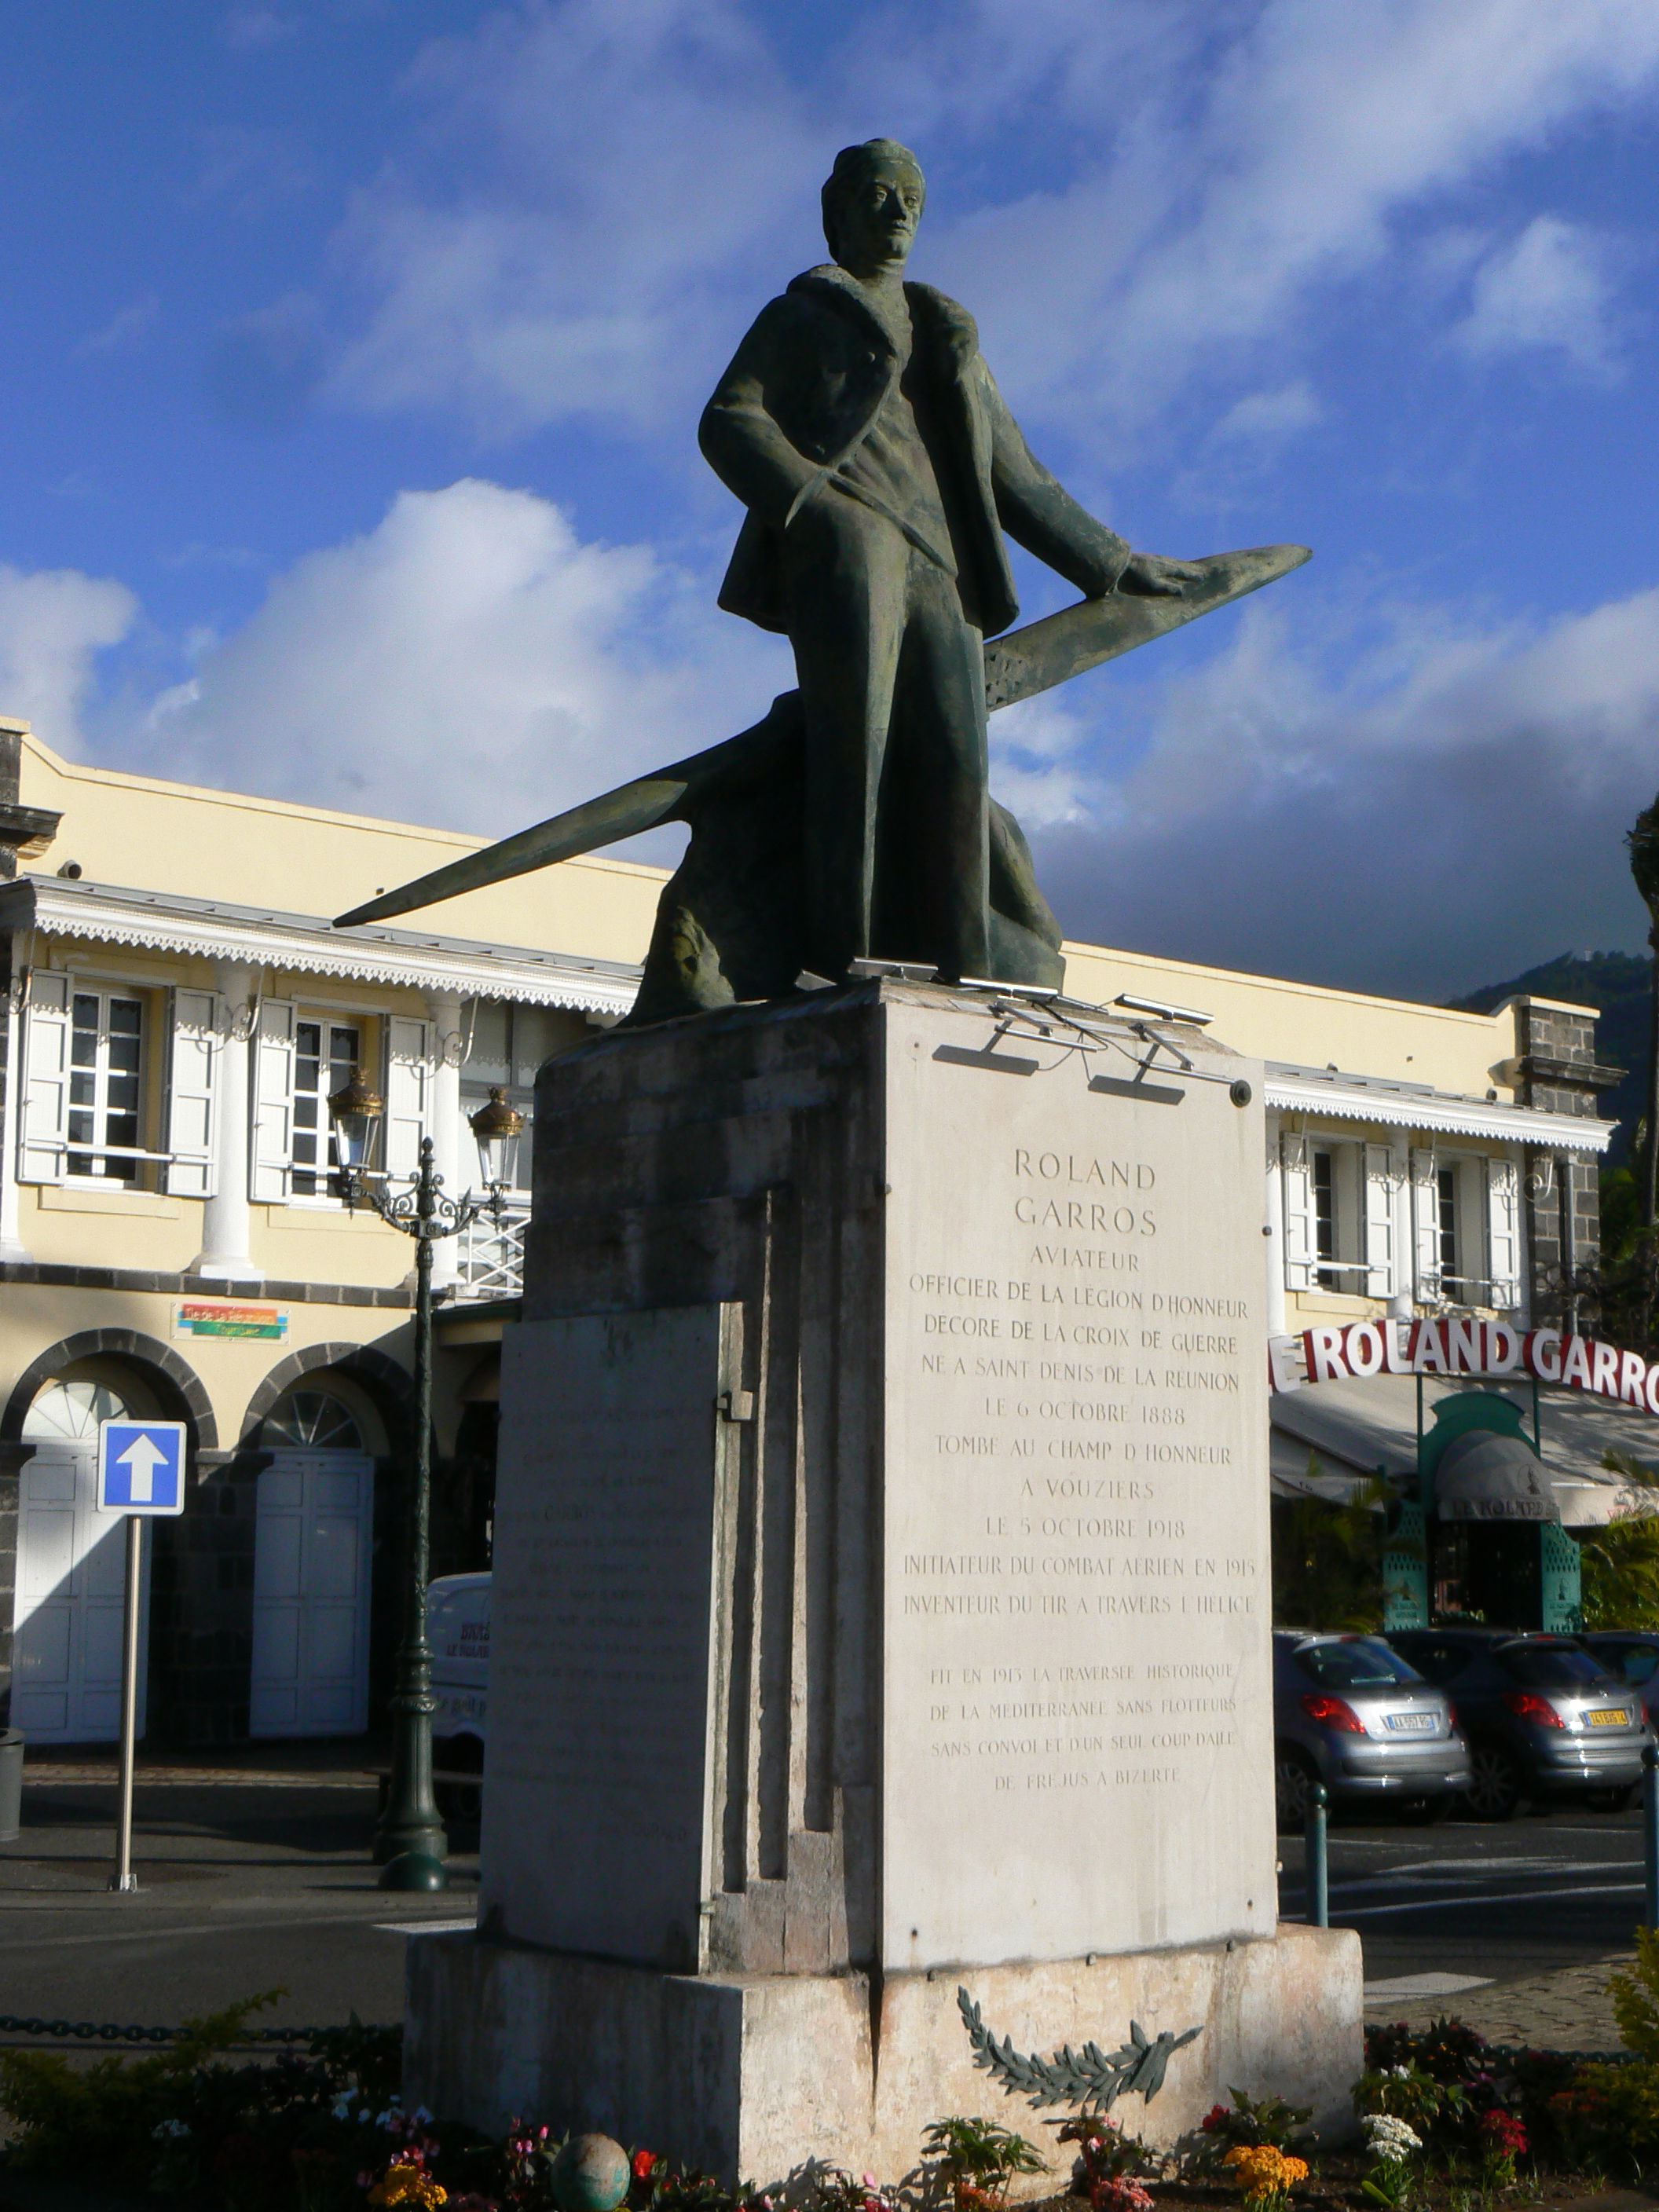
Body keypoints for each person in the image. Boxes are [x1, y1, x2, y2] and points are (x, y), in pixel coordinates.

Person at [699, 137, 1196, 984]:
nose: (897, 215)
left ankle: (966, 959)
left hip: (945, 568)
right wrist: (813, 505)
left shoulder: (948, 335)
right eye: (877, 197)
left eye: (911, 201)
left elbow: (1019, 474)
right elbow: (730, 417)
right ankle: (840, 959)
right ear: (837, 213)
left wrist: (1112, 565)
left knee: (959, 764)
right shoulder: (800, 318)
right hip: (850, 551)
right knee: (852, 754)